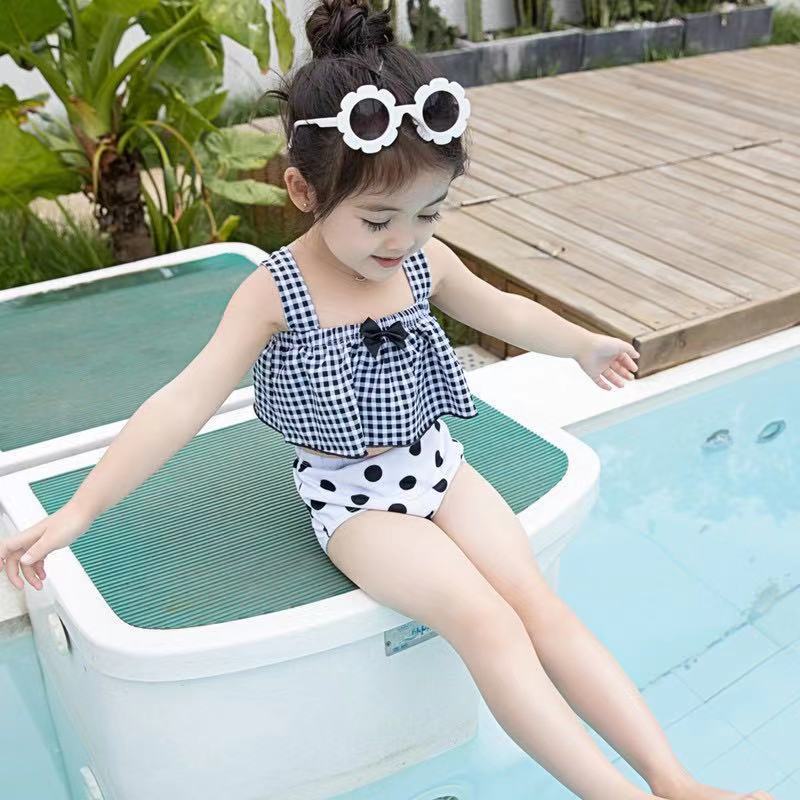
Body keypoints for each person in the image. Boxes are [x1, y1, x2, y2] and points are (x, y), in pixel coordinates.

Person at [0, 2, 771, 799]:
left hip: (441, 470)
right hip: (355, 505)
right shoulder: (279, 290)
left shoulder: (420, 262)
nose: (402, 239)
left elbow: (504, 311)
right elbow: (184, 400)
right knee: (486, 622)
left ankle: (674, 783)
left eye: (427, 213)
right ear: (303, 189)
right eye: (377, 219)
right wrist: (82, 509)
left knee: (539, 607)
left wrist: (582, 343)